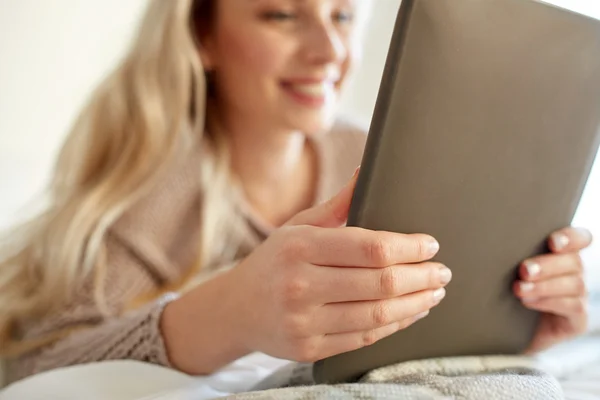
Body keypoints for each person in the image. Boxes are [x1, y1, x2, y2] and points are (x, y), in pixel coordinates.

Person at [0, 0, 592, 386]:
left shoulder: (381, 153)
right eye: (281, 14)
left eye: (341, 16)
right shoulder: (149, 203)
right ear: (202, 37)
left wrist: (514, 311)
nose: (330, 53)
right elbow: (29, 368)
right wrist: (230, 312)